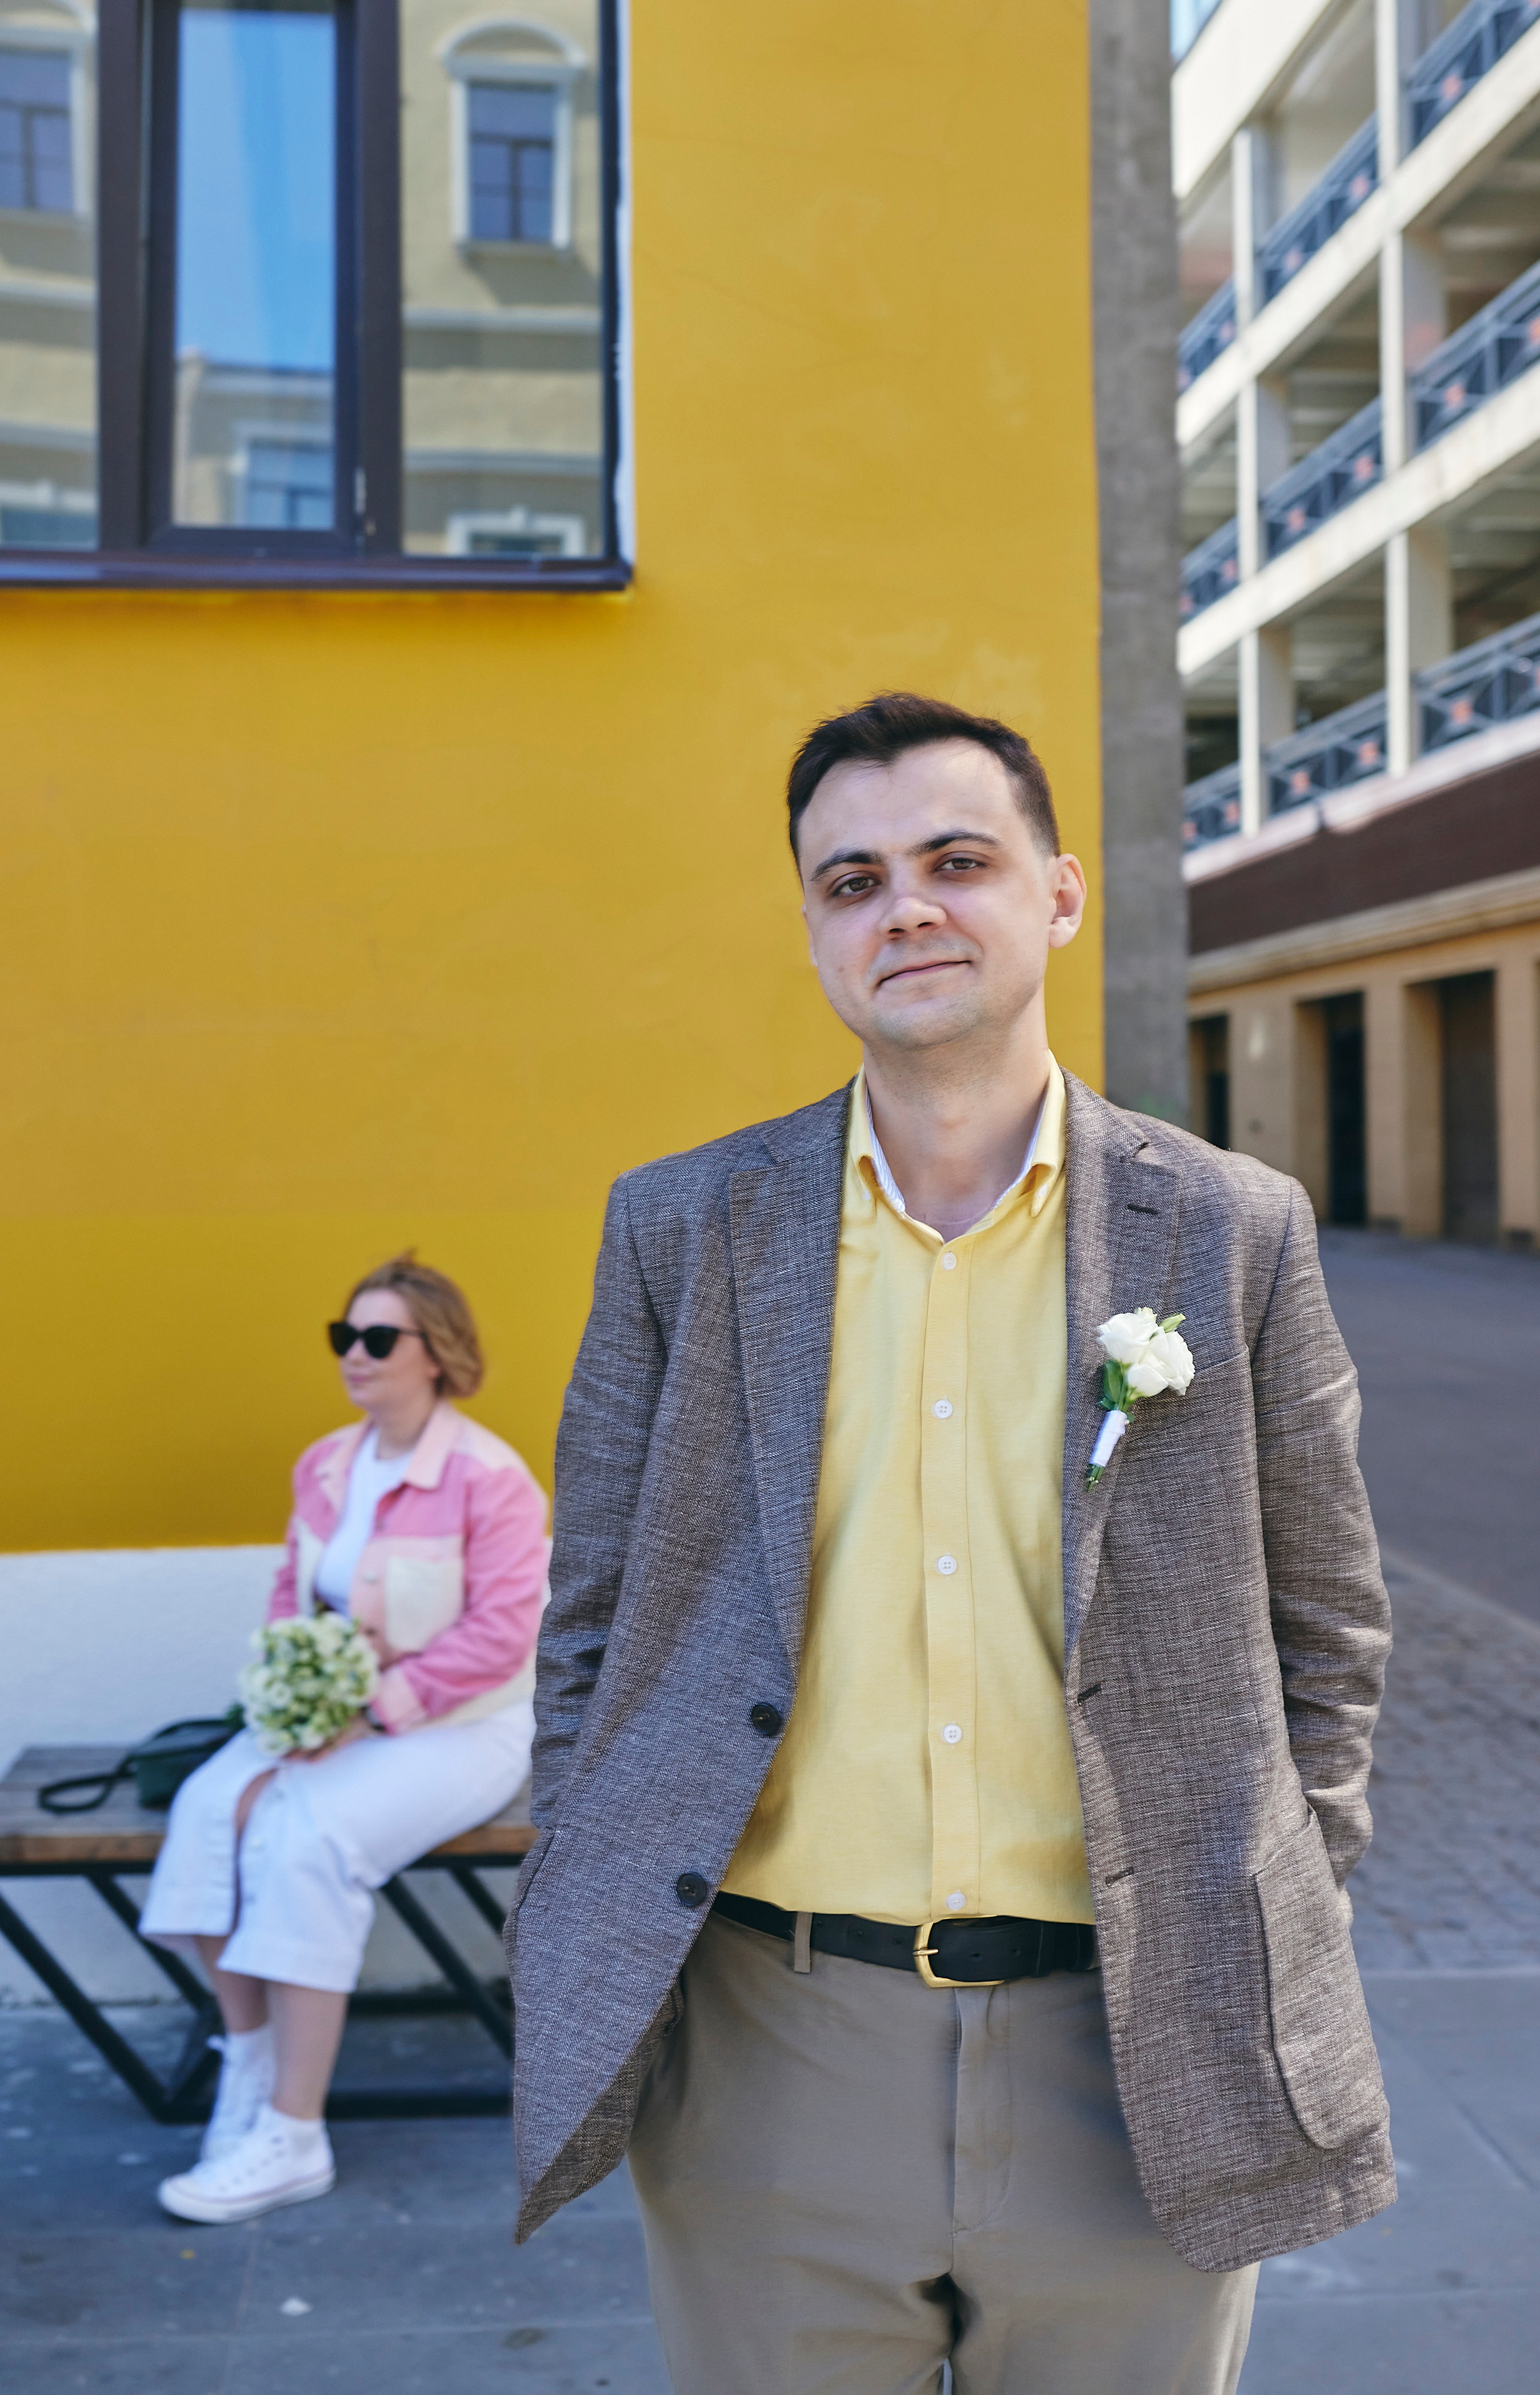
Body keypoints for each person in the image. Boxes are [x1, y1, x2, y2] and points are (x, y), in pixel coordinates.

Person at [505, 692, 1395, 2393]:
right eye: (851, 879)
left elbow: (1328, 1623)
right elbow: (595, 1614)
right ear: (814, 929)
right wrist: (594, 1878)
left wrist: (1275, 1893)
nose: (903, 905)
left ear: (1059, 892)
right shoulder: (682, 1227)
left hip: (1139, 2047)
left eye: (955, 860)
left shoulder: (1228, 1227)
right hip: (771, 2045)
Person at [143, 1252, 549, 2227]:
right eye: (344, 1337)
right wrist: (295, 1694)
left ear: (439, 1354)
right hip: (336, 1719)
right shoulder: (326, 1464)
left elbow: (504, 1634)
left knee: (304, 1839)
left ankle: (294, 2134)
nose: (354, 1356)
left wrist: (369, 1711)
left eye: (378, 1339)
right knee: (207, 1809)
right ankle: (249, 2064)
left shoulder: (489, 1478)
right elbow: (294, 1592)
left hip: (460, 1727)